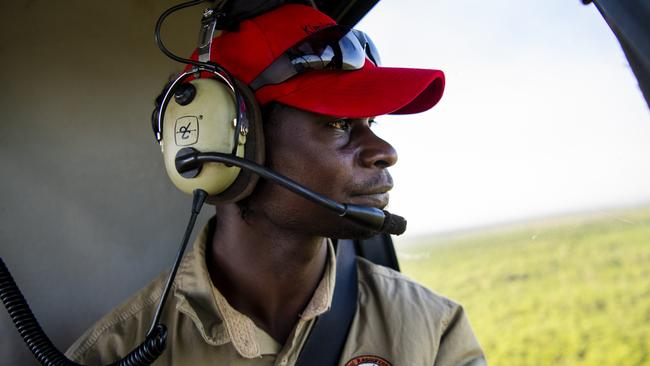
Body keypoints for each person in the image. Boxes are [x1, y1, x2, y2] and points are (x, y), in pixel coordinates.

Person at [65, 4, 486, 366]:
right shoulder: (114, 354)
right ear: (221, 143)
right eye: (339, 123)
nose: (384, 150)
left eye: (370, 122)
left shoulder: (432, 331)